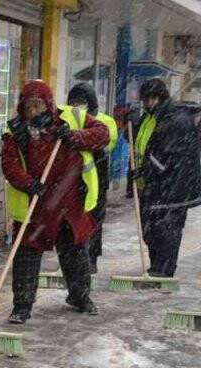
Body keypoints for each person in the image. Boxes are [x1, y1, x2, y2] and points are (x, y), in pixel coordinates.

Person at [0, 80, 109, 324]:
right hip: (36, 203)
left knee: (75, 253)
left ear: (48, 104)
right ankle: (22, 306)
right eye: (28, 107)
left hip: (70, 201)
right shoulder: (16, 131)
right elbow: (10, 165)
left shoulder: (72, 118)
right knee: (27, 256)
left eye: (37, 105)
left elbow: (103, 134)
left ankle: (80, 297)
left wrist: (74, 136)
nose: (33, 112)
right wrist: (29, 183)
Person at [134, 78, 201, 278]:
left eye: (150, 99)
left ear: (159, 98)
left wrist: (146, 169)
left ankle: (164, 270)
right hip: (153, 185)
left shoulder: (176, 120)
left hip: (172, 188)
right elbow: (145, 143)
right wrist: (133, 125)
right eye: (144, 100)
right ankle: (156, 266)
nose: (147, 104)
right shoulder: (151, 117)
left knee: (166, 230)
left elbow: (170, 157)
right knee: (151, 230)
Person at [66, 83, 117, 273]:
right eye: (73, 103)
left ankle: (91, 258)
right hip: (72, 181)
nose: (77, 107)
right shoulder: (67, 121)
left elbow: (105, 145)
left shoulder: (105, 121)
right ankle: (73, 258)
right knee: (72, 221)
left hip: (97, 181)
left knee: (94, 221)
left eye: (81, 103)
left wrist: (80, 138)